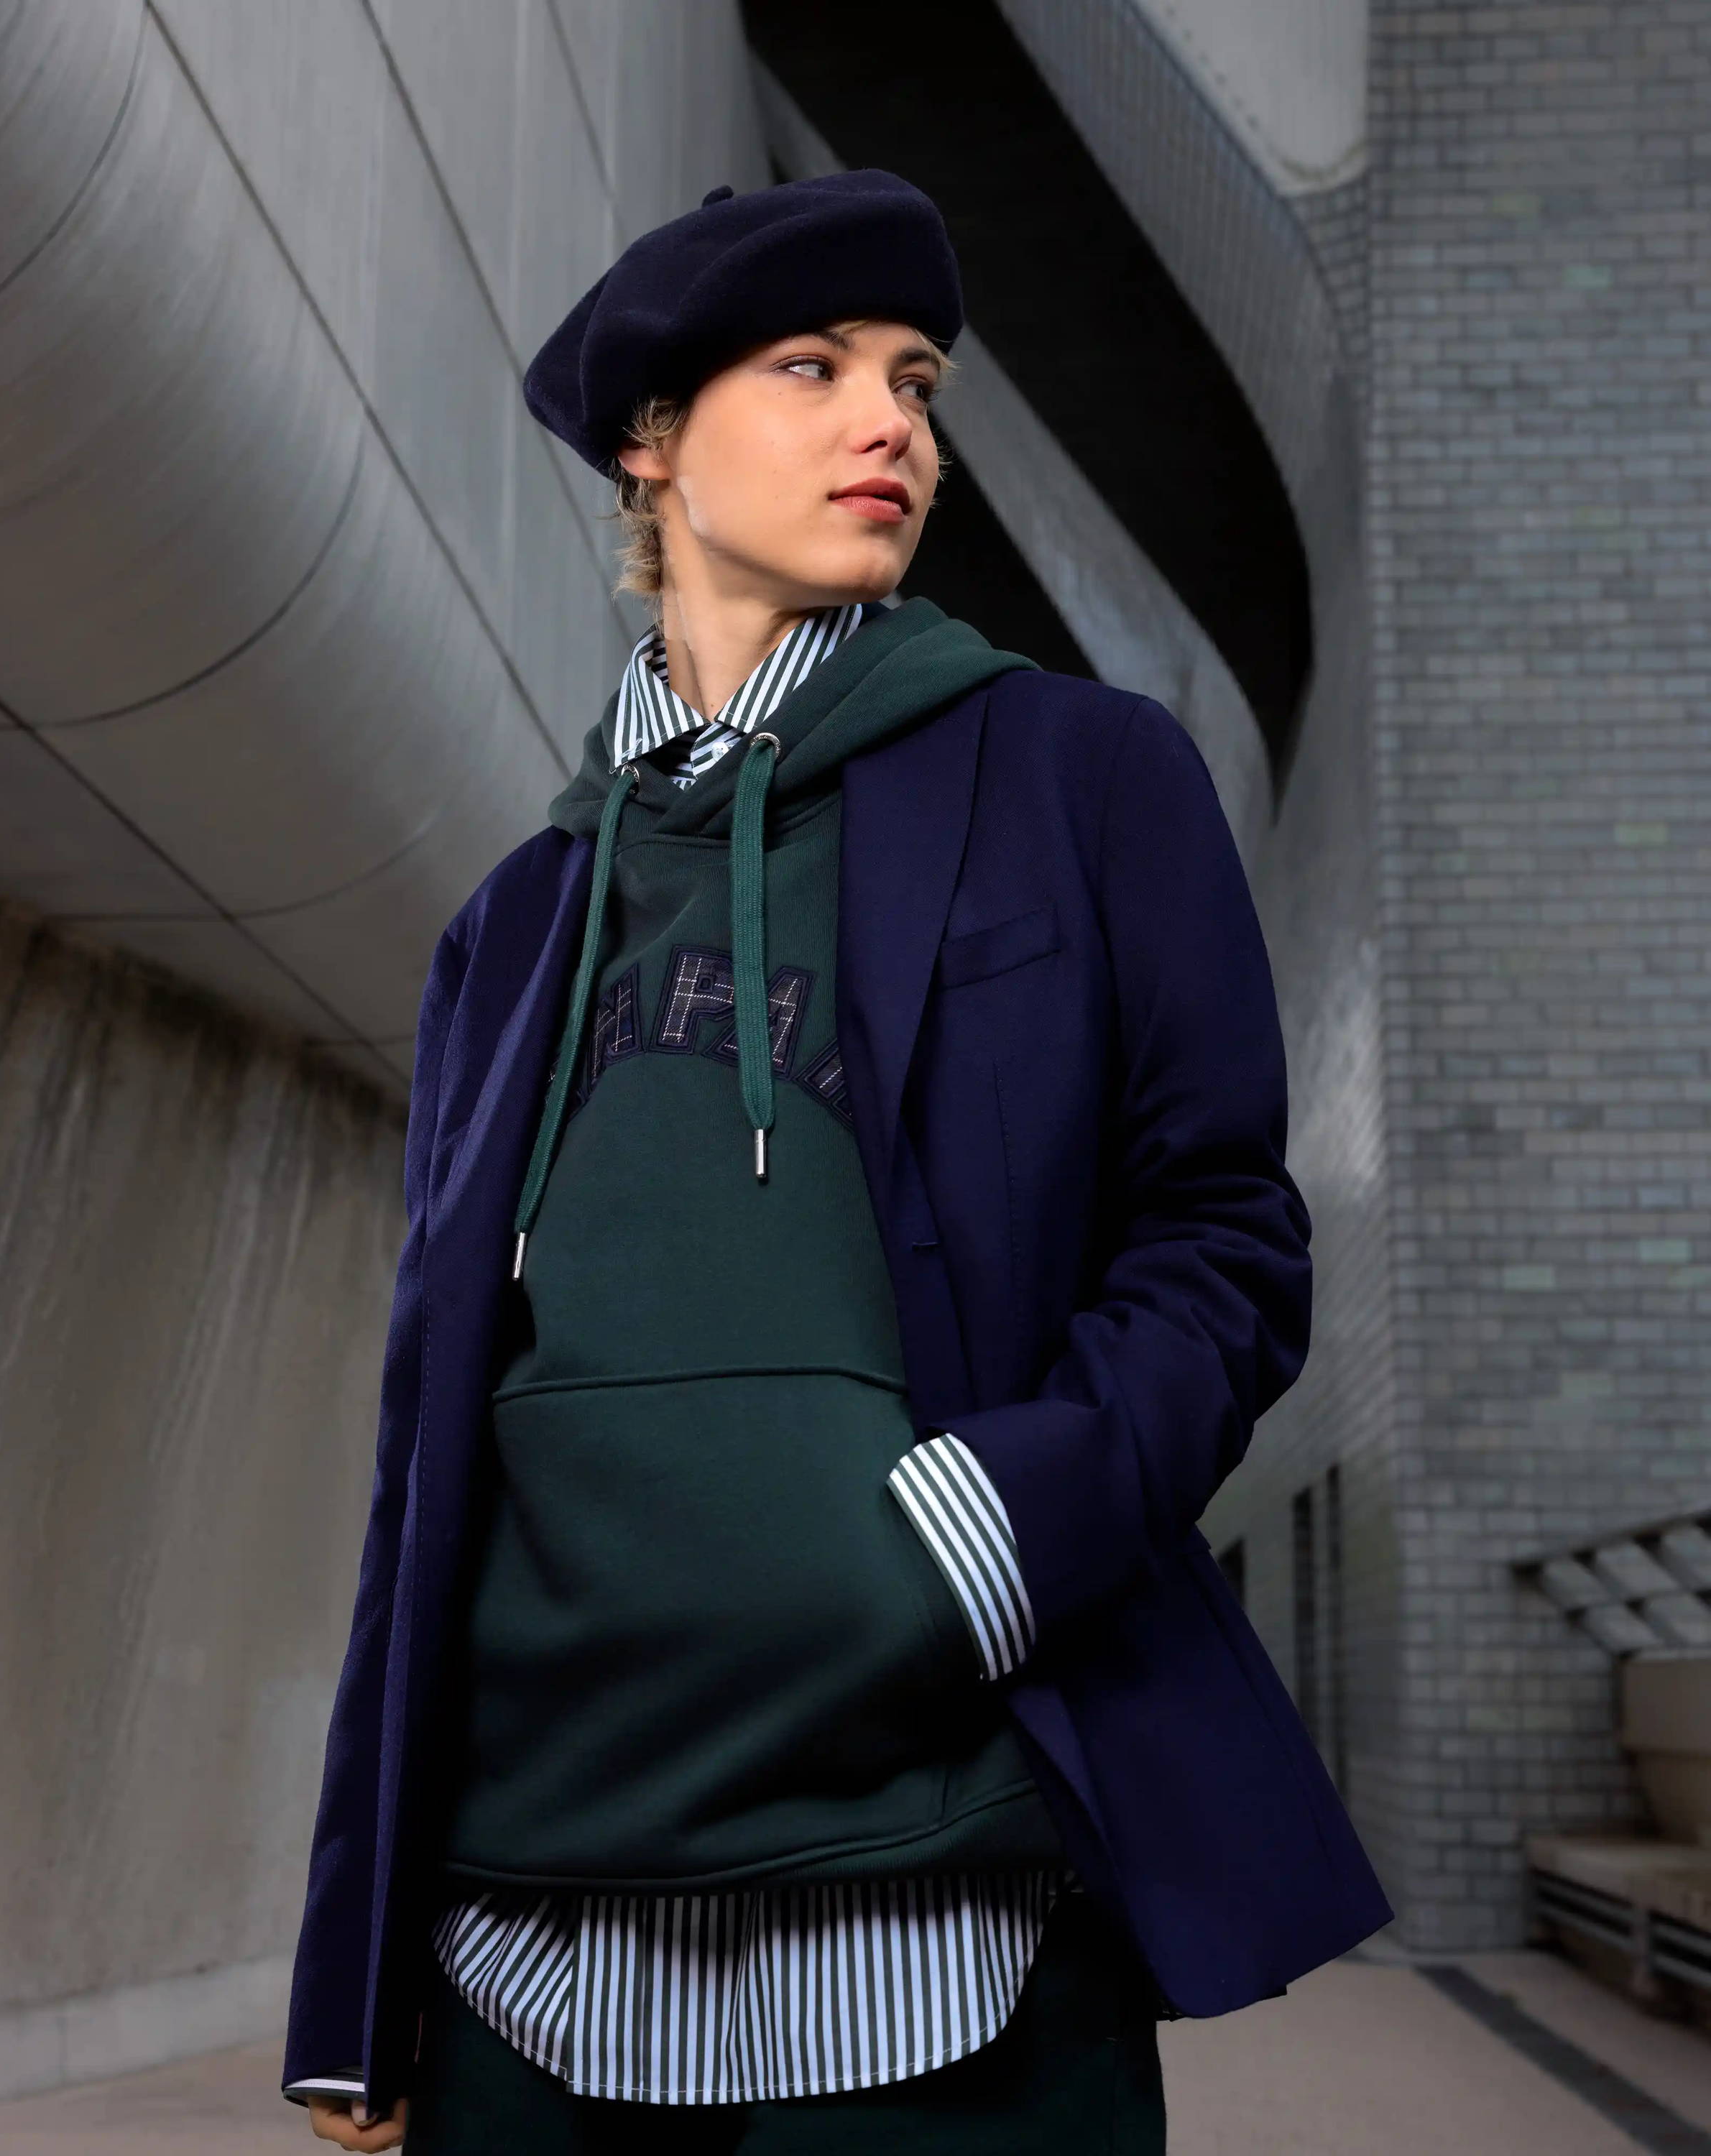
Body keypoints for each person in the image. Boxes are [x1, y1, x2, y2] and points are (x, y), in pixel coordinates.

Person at [282, 169, 1392, 2154]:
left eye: (918, 381)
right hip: (524, 1936)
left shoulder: (1086, 778)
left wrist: (980, 1538)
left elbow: (1222, 1242)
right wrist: (355, 1982)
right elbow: (427, 1447)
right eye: (814, 367)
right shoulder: (514, 923)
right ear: (651, 439)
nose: (894, 422)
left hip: (945, 1908)